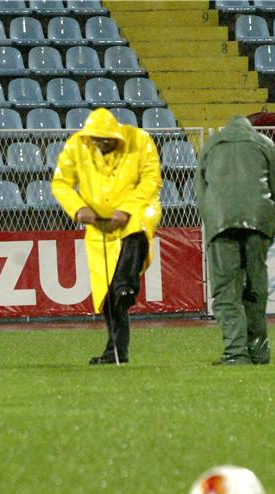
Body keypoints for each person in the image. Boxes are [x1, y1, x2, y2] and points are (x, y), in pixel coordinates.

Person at [52, 108, 162, 365]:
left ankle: (127, 284)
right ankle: (116, 352)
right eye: (98, 140)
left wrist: (126, 210)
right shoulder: (76, 146)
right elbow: (60, 183)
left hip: (136, 211)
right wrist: (78, 209)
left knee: (136, 234)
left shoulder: (140, 140)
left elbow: (151, 180)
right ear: (89, 137)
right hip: (97, 225)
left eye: (108, 140)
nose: (103, 144)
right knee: (108, 296)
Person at [195, 116, 275, 366]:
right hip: (258, 222)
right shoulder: (264, 143)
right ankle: (258, 351)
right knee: (255, 288)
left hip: (221, 222)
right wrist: (268, 230)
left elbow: (200, 191)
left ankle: (235, 353)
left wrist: (213, 223)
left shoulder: (212, 144)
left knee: (226, 290)